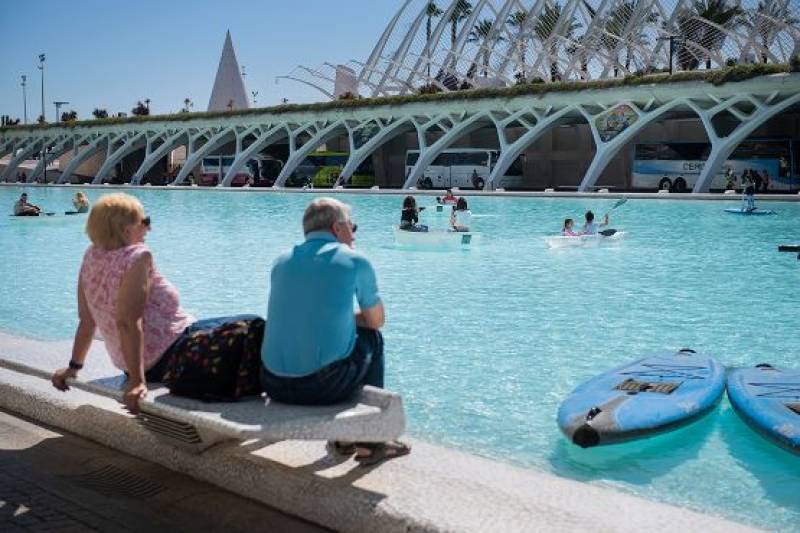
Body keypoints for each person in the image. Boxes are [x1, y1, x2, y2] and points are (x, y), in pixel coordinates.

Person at [50, 193, 261, 413]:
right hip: (172, 352)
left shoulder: (91, 256)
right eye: (145, 221)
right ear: (126, 229)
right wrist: (137, 383)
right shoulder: (137, 257)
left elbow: (87, 320)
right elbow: (129, 322)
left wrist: (74, 368)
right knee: (255, 324)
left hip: (138, 363)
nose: (149, 228)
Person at [260, 197, 409, 464]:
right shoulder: (355, 261)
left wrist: (334, 317)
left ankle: (345, 438)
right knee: (372, 339)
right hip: (320, 387)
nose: (353, 234)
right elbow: (376, 321)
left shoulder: (280, 262)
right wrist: (348, 319)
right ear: (338, 227)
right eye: (353, 227)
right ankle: (370, 440)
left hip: (273, 384)